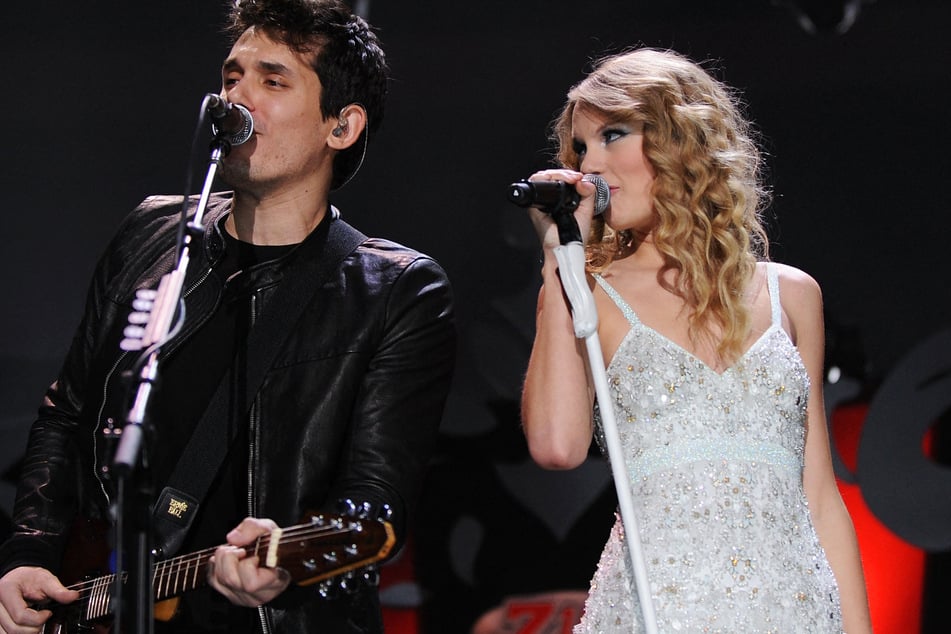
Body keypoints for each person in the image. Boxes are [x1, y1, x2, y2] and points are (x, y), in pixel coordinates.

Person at [0, 0, 455, 632]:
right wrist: (29, 551)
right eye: (231, 77)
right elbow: (69, 411)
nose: (235, 101)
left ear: (341, 127)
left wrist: (284, 560)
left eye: (273, 81)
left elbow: (374, 503)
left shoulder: (396, 290)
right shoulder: (152, 234)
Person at [520, 48, 872, 632]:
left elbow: (817, 493)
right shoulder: (585, 293)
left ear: (681, 139)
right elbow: (557, 446)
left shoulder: (792, 295)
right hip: (656, 609)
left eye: (612, 135)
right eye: (580, 148)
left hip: (792, 610)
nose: (591, 165)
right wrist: (560, 260)